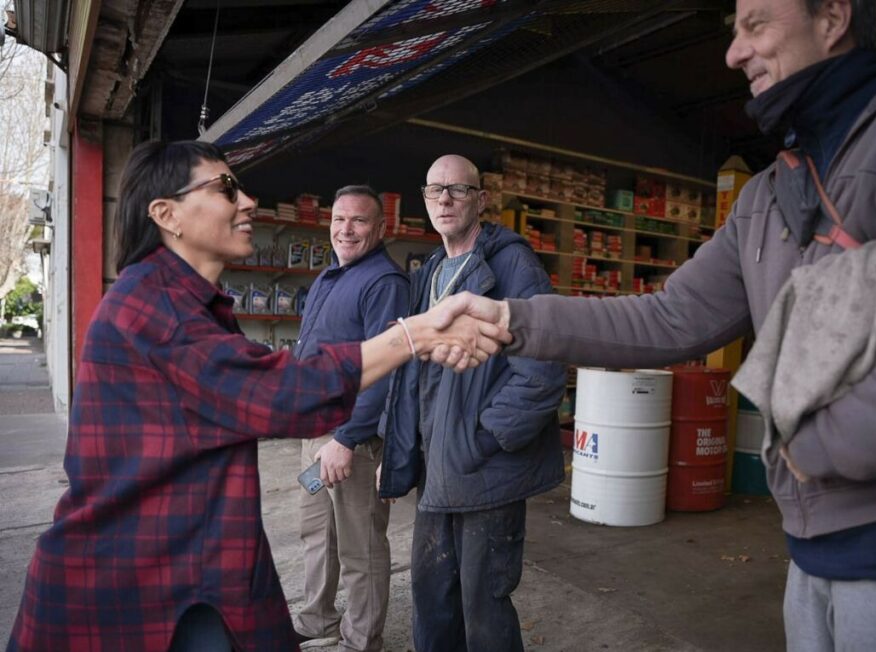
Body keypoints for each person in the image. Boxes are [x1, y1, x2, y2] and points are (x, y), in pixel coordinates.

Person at [435, 1, 876, 649]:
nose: (733, 53)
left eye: (756, 25)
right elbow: (671, 316)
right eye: (734, 31)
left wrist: (820, 444)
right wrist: (512, 318)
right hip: (814, 544)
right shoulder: (766, 196)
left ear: (832, 17)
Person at [5, 140, 505, 652]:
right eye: (225, 189)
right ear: (167, 215)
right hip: (126, 590)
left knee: (357, 548)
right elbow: (279, 391)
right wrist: (414, 335)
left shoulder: (190, 303)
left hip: (187, 572)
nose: (247, 201)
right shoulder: (157, 309)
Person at [377, 154, 566, 652]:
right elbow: (413, 374)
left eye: (458, 189)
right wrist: (399, 450)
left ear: (481, 200)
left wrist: (484, 438)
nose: (444, 199)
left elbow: (544, 368)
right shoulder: (429, 272)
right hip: (436, 468)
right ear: (423, 199)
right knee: (432, 597)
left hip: (485, 471)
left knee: (484, 610)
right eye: (434, 190)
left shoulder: (513, 265)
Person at [292, 185, 408, 651]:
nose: (346, 229)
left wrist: (346, 438)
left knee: (360, 544)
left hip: (351, 442)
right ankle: (317, 619)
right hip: (315, 430)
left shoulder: (385, 283)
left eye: (358, 220)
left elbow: (386, 368)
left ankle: (361, 640)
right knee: (316, 533)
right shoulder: (329, 276)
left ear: (381, 228)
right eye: (339, 219)